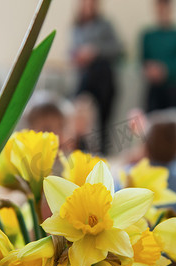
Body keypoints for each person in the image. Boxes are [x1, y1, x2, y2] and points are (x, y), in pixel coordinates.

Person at [71, 0, 123, 154]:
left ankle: (101, 156)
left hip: (103, 80)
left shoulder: (106, 25)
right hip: (84, 79)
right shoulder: (76, 27)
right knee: (81, 117)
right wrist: (79, 56)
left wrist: (96, 51)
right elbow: (71, 52)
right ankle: (81, 153)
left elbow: (118, 49)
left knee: (102, 125)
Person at [141, 0, 176, 112]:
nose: (162, 13)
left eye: (165, 9)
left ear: (171, 10)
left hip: (173, 88)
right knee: (151, 123)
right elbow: (143, 61)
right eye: (159, 10)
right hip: (153, 89)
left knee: (173, 122)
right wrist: (150, 70)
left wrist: (165, 70)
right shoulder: (148, 36)